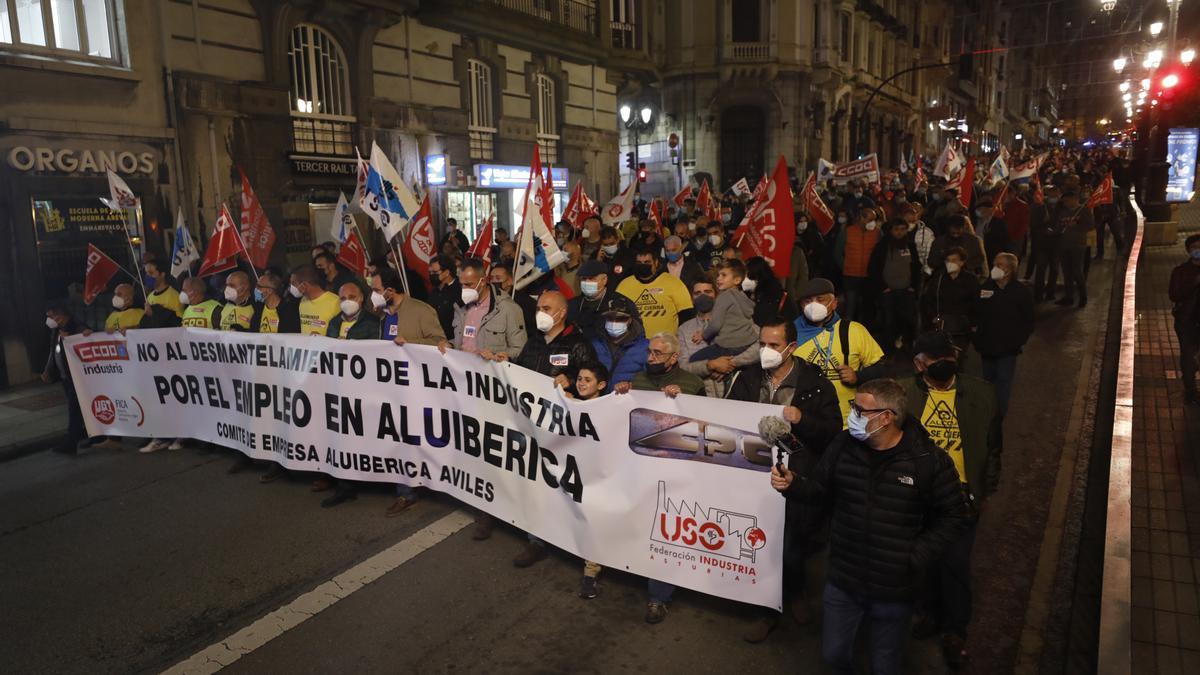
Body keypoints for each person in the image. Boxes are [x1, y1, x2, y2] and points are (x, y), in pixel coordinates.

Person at [770, 378, 970, 675]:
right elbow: (820, 490)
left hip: (894, 589)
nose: (852, 414)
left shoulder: (927, 461)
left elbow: (955, 515)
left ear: (886, 417)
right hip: (844, 579)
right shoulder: (843, 445)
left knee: (885, 664)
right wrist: (793, 484)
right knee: (835, 654)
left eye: (859, 409)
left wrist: (916, 556)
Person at [724, 318, 843, 642]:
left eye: (774, 345)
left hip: (795, 477)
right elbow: (724, 416)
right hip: (750, 473)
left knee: (790, 546)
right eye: (762, 344)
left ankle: (795, 592)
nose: (766, 351)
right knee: (759, 544)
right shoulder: (747, 378)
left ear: (791, 347)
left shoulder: (815, 384)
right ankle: (767, 610)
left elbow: (833, 432)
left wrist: (803, 419)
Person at [899, 333, 1001, 670]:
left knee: (955, 565)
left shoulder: (981, 393)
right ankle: (927, 612)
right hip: (917, 495)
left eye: (947, 357)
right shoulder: (904, 394)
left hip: (960, 497)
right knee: (922, 562)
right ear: (918, 364)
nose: (942, 363)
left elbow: (993, 445)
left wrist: (986, 489)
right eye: (933, 358)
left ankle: (955, 630)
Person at [618, 332, 705, 623]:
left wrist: (685, 401)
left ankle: (659, 597)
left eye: (657, 354)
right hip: (640, 468)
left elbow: (707, 424)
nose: (651, 358)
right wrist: (621, 394)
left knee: (665, 532)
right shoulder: (637, 382)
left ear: (673, 357)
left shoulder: (692, 384)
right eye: (649, 353)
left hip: (676, 470)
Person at [370, 265, 447, 515]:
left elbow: (441, 344)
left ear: (390, 291)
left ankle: (409, 491)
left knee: (411, 440)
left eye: (377, 290)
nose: (373, 294)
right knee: (394, 438)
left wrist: (411, 344)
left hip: (415, 389)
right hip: (388, 388)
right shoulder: (381, 313)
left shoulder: (421, 311)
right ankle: (403, 486)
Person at [315, 282, 382, 508]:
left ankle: (368, 479)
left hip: (363, 390)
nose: (347, 301)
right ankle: (343, 484)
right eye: (343, 297)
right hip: (337, 387)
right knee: (339, 435)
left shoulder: (373, 323)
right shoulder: (334, 323)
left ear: (362, 298)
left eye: (352, 296)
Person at [792, 278, 886, 426]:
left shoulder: (853, 330)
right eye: (807, 301)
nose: (813, 305)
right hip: (807, 420)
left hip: (848, 421)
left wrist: (857, 376)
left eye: (820, 300)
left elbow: (881, 368)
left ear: (834, 303)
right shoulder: (791, 334)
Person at [972, 253, 1034, 417]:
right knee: (988, 383)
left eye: (999, 265)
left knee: (1003, 382)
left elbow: (1028, 320)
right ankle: (988, 412)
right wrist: (977, 335)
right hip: (987, 345)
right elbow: (975, 312)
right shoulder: (985, 288)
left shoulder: (1021, 292)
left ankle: (998, 416)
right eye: (995, 264)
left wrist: (1018, 341)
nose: (995, 268)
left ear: (1010, 270)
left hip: (1007, 348)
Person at [568, 362, 610, 599]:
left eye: (587, 380)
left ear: (601, 385)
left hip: (597, 478)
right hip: (574, 475)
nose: (581, 383)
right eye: (579, 378)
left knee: (594, 522)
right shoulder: (570, 403)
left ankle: (590, 575)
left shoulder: (610, 408)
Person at [677, 278, 758, 397]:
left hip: (737, 393)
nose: (703, 296)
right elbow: (683, 367)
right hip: (702, 396)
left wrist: (730, 364)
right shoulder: (684, 330)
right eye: (697, 293)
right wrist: (710, 365)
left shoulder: (739, 318)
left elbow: (760, 347)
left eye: (707, 292)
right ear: (691, 298)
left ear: (717, 295)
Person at [442, 257, 527, 363]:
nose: (464, 289)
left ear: (482, 281)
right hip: (463, 369)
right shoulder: (460, 306)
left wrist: (498, 356)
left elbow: (520, 348)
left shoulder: (507, 308)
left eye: (468, 284)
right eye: (461, 284)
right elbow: (466, 340)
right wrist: (450, 344)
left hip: (489, 374)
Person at [868, 218, 922, 354]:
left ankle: (907, 347)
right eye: (897, 229)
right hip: (888, 292)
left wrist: (913, 286)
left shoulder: (910, 245)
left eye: (903, 229)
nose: (900, 232)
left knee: (908, 321)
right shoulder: (882, 246)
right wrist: (882, 287)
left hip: (906, 291)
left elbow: (916, 267)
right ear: (891, 230)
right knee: (889, 322)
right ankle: (888, 351)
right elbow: (873, 268)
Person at [688, 259, 757, 362]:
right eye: (718, 275)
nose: (719, 279)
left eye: (724, 275)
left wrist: (703, 335)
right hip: (748, 342)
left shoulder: (724, 297)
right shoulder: (742, 296)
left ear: (737, 280)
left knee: (693, 359)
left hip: (730, 346)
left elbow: (715, 325)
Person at [616, 249, 694, 338]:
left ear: (656, 263)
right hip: (635, 343)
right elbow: (618, 315)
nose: (643, 265)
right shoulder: (624, 285)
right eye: (639, 263)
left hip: (667, 343)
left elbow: (687, 314)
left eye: (647, 262)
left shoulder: (673, 282)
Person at [921, 247, 977, 358]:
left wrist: (972, 323)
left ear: (962, 262)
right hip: (942, 326)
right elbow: (928, 301)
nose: (950, 263)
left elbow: (976, 303)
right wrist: (932, 317)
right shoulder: (938, 279)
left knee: (958, 359)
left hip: (961, 328)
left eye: (954, 260)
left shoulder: (970, 280)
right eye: (948, 260)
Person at [567, 259, 640, 340]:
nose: (587, 282)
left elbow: (636, 331)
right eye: (584, 279)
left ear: (604, 280)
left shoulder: (621, 303)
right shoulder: (572, 305)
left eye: (592, 278)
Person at [834, 207, 881, 321]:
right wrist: (845, 266)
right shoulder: (847, 232)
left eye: (874, 220)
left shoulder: (877, 233)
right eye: (870, 220)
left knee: (867, 308)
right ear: (860, 218)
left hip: (868, 276)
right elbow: (837, 253)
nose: (872, 223)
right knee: (850, 308)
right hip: (850, 276)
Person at [1169, 234, 1200, 403]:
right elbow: (1174, 295)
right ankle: (1191, 390)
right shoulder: (1180, 272)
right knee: (1188, 355)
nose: (1198, 251)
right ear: (1189, 251)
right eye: (1195, 248)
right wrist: (1194, 282)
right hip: (1186, 321)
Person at [593, 308, 649, 394]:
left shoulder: (644, 346)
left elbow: (652, 377)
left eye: (620, 319)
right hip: (599, 399)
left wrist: (632, 385)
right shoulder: (595, 343)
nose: (614, 323)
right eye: (610, 318)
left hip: (627, 400)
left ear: (629, 320)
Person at [1053, 190, 1093, 308]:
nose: (1065, 203)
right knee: (1066, 272)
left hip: (1077, 245)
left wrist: (1077, 225)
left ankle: (1083, 297)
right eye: (1064, 201)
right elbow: (1059, 225)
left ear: (1074, 199)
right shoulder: (1063, 211)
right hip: (1064, 245)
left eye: (1067, 200)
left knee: (1077, 271)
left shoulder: (1083, 210)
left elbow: (1090, 225)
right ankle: (1068, 296)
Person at [744, 256, 797, 324]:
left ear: (757, 276)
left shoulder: (775, 297)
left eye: (746, 275)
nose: (743, 278)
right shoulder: (745, 294)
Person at [1031, 185, 1063, 302]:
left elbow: (1063, 222)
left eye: (1056, 194)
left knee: (1054, 270)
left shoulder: (1062, 207)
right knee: (1040, 269)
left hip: (1056, 243)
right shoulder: (1040, 207)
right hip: (1042, 243)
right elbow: (1033, 224)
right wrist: (1044, 226)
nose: (1053, 197)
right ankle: (1038, 293)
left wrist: (1056, 230)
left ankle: (1051, 292)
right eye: (1051, 194)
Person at [290, 264, 340, 336]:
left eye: (293, 283)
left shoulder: (335, 302)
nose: (291, 287)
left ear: (305, 285)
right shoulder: (303, 301)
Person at [251, 271, 300, 336]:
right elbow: (252, 333)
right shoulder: (258, 309)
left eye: (259, 286)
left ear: (270, 290)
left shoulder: (289, 311)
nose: (255, 289)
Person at [141, 259, 183, 328]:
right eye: (146, 273)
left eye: (151, 273)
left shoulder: (173, 295)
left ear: (162, 274)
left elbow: (178, 322)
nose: (147, 276)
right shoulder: (149, 297)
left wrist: (154, 314)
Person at [426, 254, 461, 339]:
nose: (431, 275)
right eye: (430, 272)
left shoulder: (460, 290)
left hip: (454, 341)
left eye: (434, 272)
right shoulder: (434, 292)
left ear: (447, 272)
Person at [975, 198, 1010, 267]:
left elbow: (1003, 241)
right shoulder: (976, 222)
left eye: (981, 209)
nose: (978, 212)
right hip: (977, 253)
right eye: (978, 209)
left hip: (991, 254)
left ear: (988, 210)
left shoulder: (998, 223)